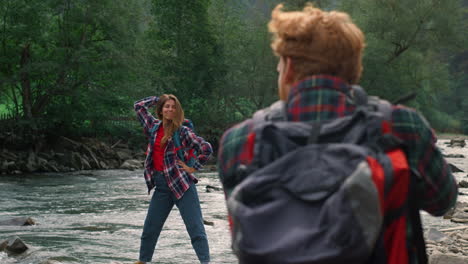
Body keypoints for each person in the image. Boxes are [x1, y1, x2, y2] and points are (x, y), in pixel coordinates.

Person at [217, 4, 458, 263]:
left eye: (279, 64)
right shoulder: (400, 126)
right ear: (354, 70)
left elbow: (241, 233)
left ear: (288, 68)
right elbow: (442, 201)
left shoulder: (240, 141)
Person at [133, 94, 212, 264]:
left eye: (173, 107)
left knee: (196, 229)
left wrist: (193, 167)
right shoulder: (153, 127)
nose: (170, 109)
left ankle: (205, 262)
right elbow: (139, 106)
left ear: (177, 111)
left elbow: (206, 148)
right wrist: (159, 98)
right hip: (161, 186)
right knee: (150, 229)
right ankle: (142, 261)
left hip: (182, 185)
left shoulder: (183, 132)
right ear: (161, 109)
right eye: (166, 106)